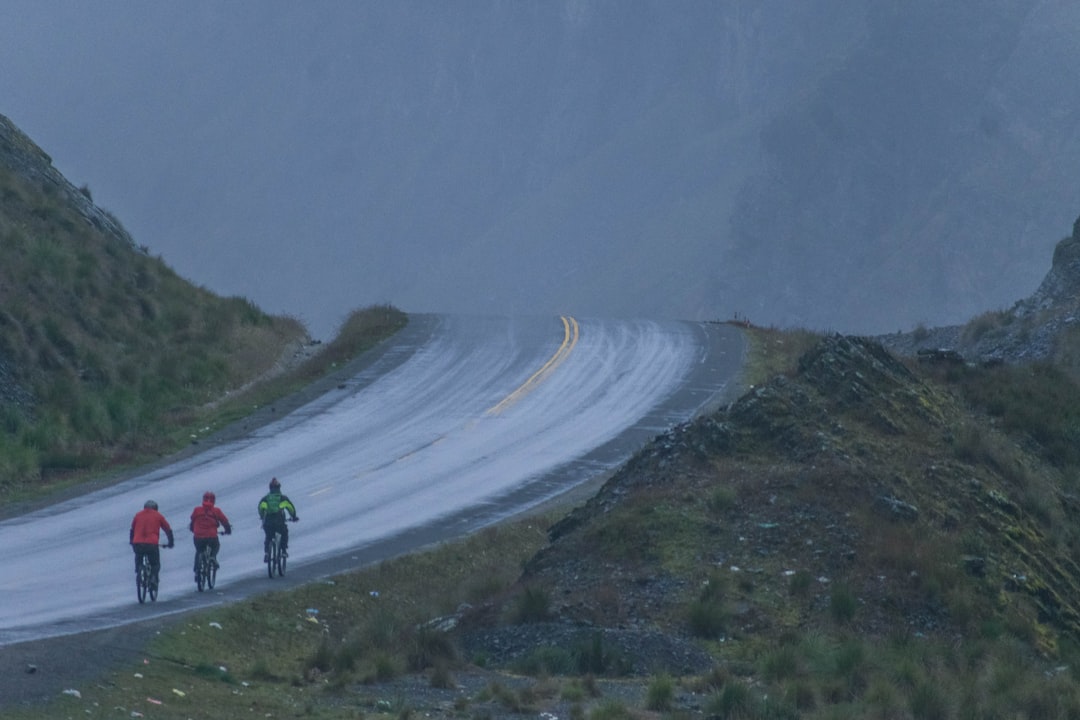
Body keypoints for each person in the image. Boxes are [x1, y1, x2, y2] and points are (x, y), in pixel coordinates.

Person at [130, 499, 174, 586]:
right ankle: (154, 577)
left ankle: (138, 570)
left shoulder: (138, 515)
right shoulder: (158, 516)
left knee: (138, 557)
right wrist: (170, 542)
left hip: (138, 544)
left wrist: (131, 541)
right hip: (151, 544)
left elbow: (132, 529)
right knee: (155, 564)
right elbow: (167, 529)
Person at [189, 491, 232, 578]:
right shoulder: (217, 511)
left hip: (198, 536)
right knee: (216, 546)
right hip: (211, 536)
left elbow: (192, 521)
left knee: (199, 550)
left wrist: (193, 530)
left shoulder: (197, 510)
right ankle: (212, 557)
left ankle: (197, 569)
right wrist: (228, 531)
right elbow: (225, 522)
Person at [258, 477, 298, 562]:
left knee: (268, 537)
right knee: (284, 532)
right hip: (279, 522)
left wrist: (262, 516)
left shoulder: (265, 499)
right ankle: (283, 551)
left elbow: (260, 508)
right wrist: (294, 517)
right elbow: (290, 508)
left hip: (268, 522)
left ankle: (266, 553)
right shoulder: (282, 498)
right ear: (279, 488)